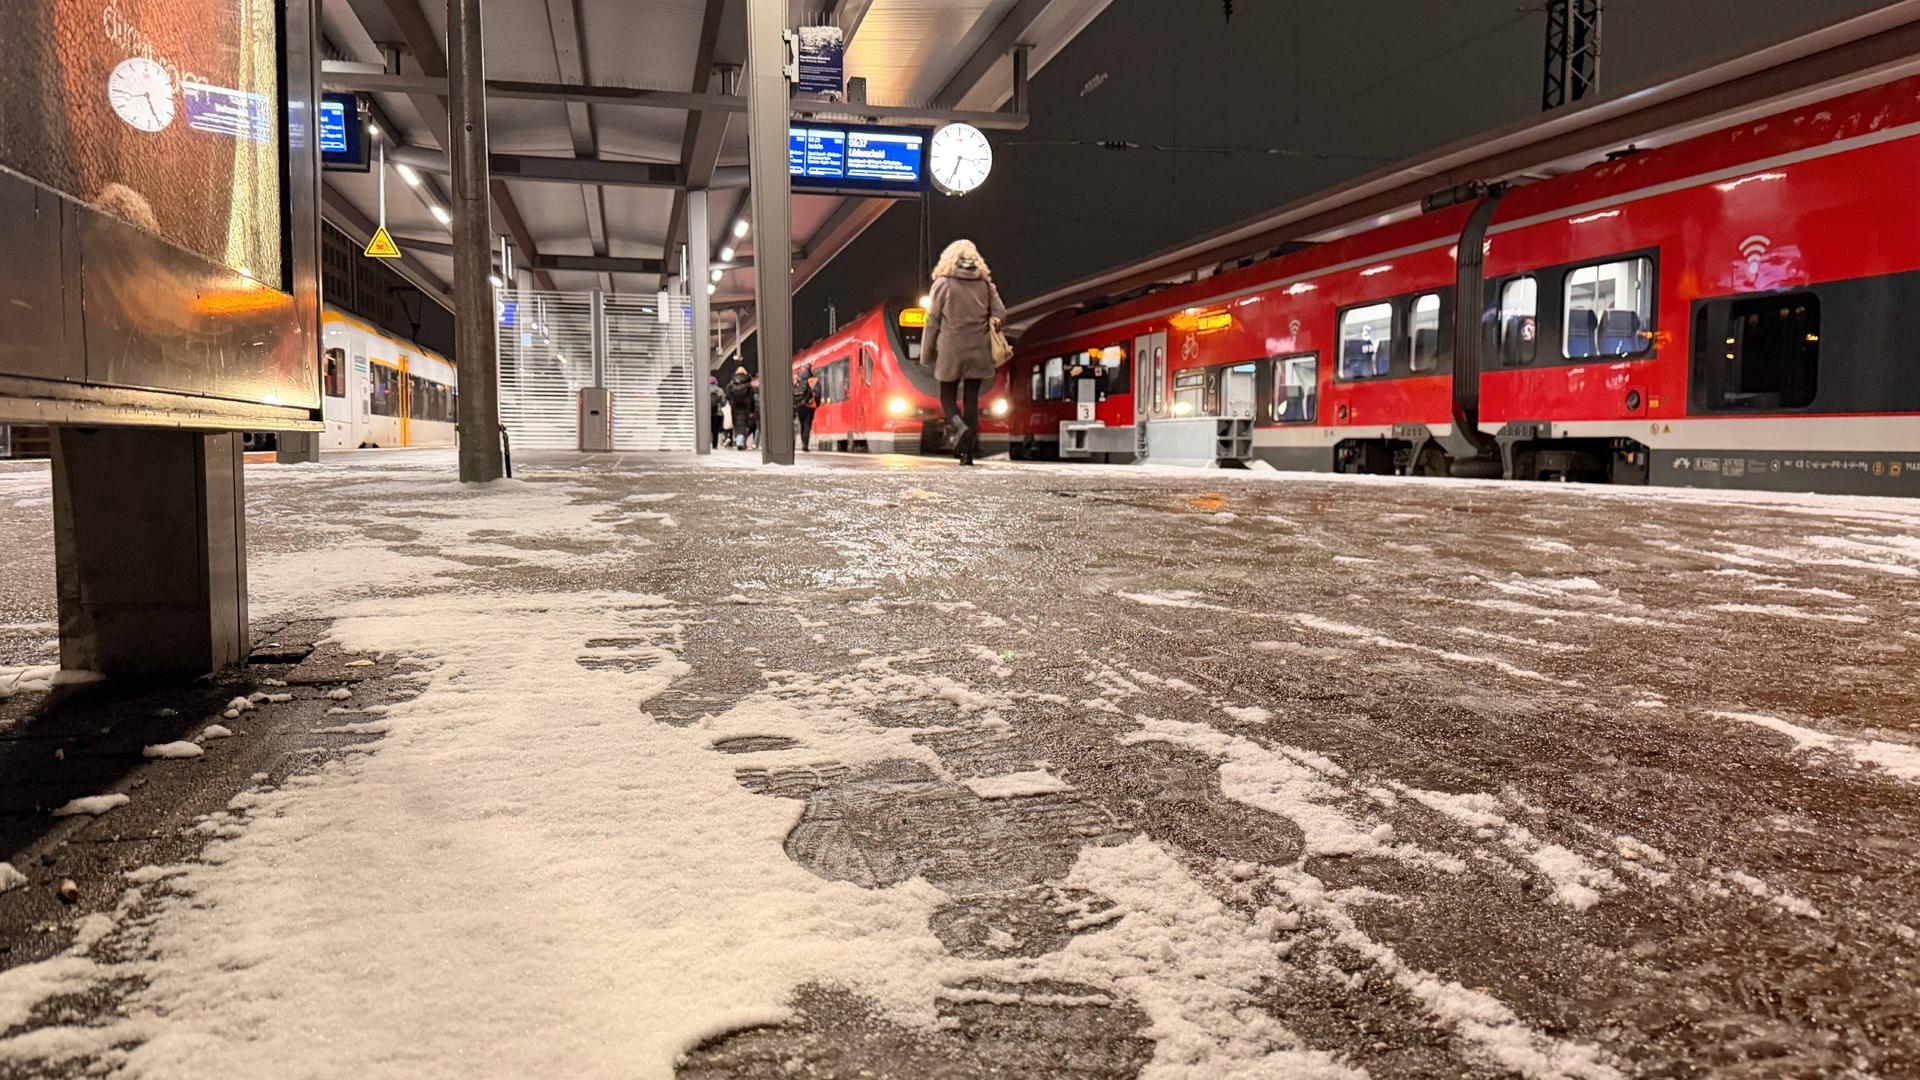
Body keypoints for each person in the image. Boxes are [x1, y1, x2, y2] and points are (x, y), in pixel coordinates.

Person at [920, 239, 1005, 466]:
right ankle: (967, 455)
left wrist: (926, 353)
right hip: (979, 348)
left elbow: (932, 321)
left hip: (951, 348)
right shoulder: (986, 286)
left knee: (947, 396)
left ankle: (960, 427)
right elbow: (1000, 313)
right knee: (971, 399)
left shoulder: (943, 284)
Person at [724, 367, 756, 450]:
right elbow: (752, 398)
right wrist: (752, 410)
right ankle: (740, 442)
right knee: (743, 425)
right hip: (746, 407)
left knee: (737, 425)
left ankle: (739, 441)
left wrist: (731, 402)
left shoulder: (731, 384)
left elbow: (727, 395)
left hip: (734, 407)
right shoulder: (748, 385)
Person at [794, 364, 821, 452]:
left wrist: (795, 404)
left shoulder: (798, 379)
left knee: (802, 424)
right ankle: (805, 444)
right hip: (810, 405)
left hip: (800, 406)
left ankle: (803, 442)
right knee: (807, 424)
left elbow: (793, 392)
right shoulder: (813, 379)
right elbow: (817, 393)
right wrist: (817, 404)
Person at [708, 375, 726, 450]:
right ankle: (714, 446)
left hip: (707, 413)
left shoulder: (705, 390)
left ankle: (706, 444)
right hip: (717, 413)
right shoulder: (720, 390)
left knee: (707, 429)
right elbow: (723, 402)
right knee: (715, 430)